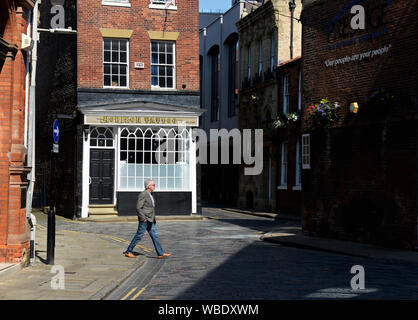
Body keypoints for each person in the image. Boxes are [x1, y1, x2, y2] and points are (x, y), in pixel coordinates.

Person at [123, 179, 171, 259]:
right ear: (148, 186)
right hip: (145, 220)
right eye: (153, 185)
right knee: (139, 235)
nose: (154, 186)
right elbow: (138, 207)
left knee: (155, 236)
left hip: (151, 219)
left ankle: (160, 253)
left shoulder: (150, 194)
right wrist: (143, 218)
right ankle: (128, 251)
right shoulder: (143, 194)